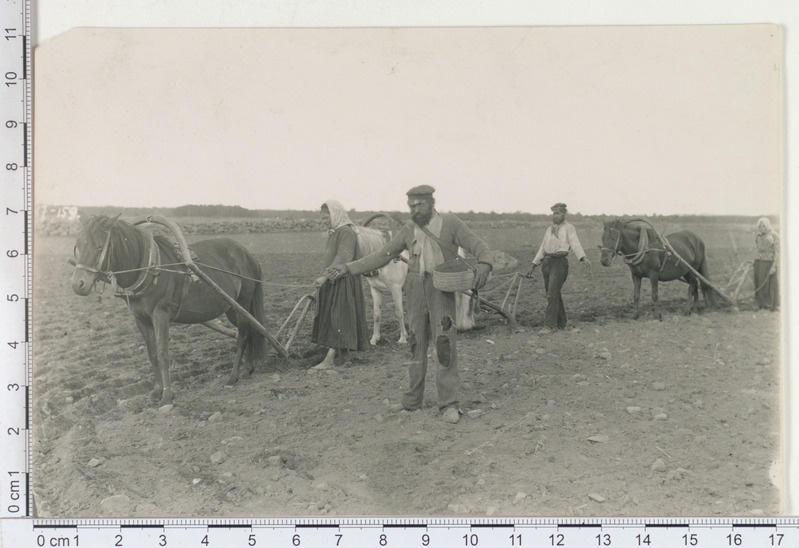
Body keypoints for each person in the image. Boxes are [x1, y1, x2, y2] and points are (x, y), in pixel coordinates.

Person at [324, 185, 493, 424]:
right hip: (414, 289)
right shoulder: (408, 229)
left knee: (444, 343)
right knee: (415, 343)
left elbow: (479, 246)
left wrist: (485, 264)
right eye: (411, 205)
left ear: (432, 202)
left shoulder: (451, 223)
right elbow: (383, 254)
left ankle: (448, 403)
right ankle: (412, 400)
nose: (415, 209)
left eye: (419, 204)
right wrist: (347, 268)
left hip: (441, 289)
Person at [310, 200, 371, 369]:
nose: (323, 221)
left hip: (344, 281)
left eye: (325, 217)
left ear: (335, 215)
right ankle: (343, 357)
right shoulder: (335, 232)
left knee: (339, 318)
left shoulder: (346, 232)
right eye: (322, 219)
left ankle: (330, 359)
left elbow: (342, 258)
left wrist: (325, 277)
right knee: (334, 317)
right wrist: (323, 276)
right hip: (333, 279)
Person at [525, 203, 591, 334]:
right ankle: (562, 323)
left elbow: (575, 243)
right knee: (553, 294)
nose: (555, 216)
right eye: (554, 213)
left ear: (564, 214)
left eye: (558, 213)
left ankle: (549, 326)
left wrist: (583, 258)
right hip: (546, 263)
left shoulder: (569, 228)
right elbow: (542, 248)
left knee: (552, 293)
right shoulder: (549, 229)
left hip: (559, 263)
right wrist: (533, 265)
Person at [753, 216, 779, 311]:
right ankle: (761, 304)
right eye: (760, 227)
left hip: (769, 263)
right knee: (760, 283)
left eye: (763, 226)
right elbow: (758, 249)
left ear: (767, 226)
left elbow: (777, 252)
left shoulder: (774, 236)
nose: (762, 228)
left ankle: (771, 304)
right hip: (759, 262)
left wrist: (774, 266)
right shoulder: (758, 236)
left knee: (769, 284)